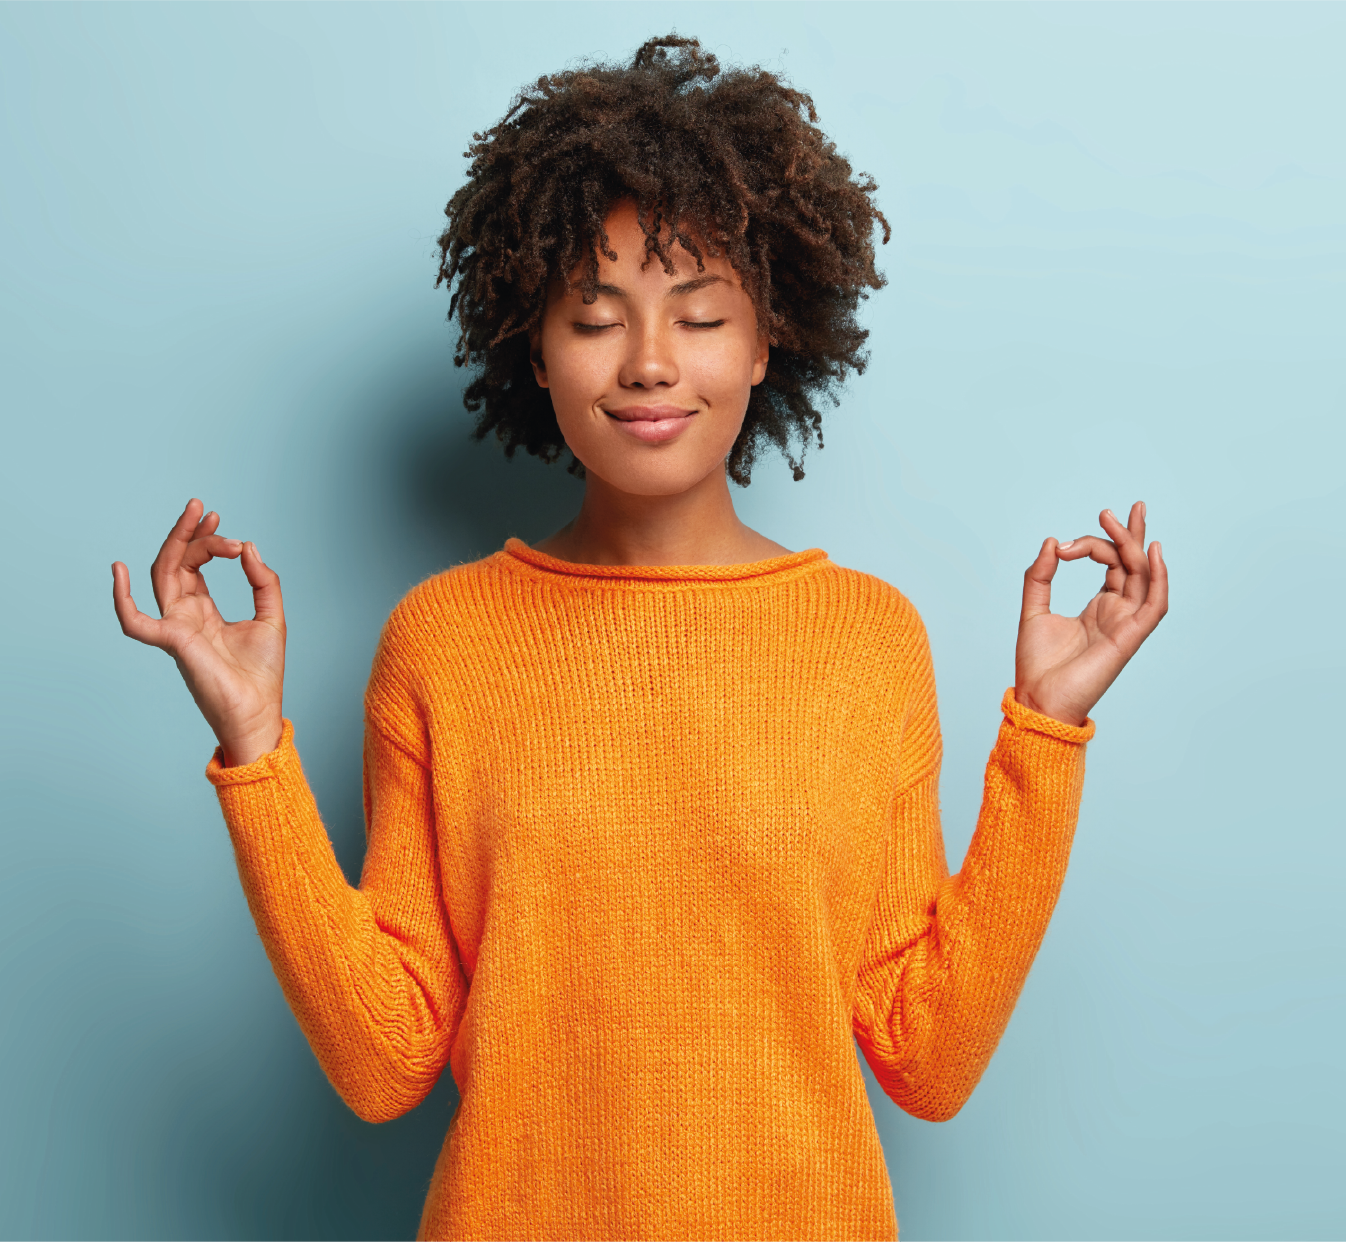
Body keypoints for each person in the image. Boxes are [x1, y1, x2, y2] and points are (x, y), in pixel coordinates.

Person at [111, 34, 1167, 1242]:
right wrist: (253, 750)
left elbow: (927, 1056)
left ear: (767, 342)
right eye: (595, 317)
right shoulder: (443, 643)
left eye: (701, 315)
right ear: (536, 349)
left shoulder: (866, 642)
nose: (651, 363)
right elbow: (383, 1060)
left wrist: (1048, 734)